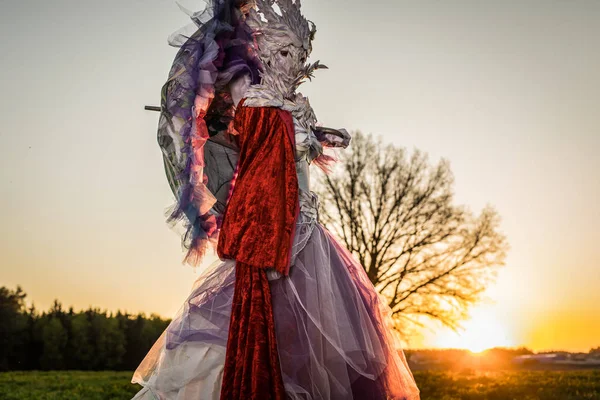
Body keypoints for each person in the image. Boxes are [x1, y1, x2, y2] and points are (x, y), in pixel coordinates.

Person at [132, 0, 420, 399]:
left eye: (299, 55)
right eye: (285, 53)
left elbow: (289, 143)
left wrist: (319, 135)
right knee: (267, 333)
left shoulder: (293, 104)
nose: (294, 61)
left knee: (329, 337)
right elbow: (264, 151)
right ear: (267, 52)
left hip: (309, 235)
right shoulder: (251, 99)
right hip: (270, 230)